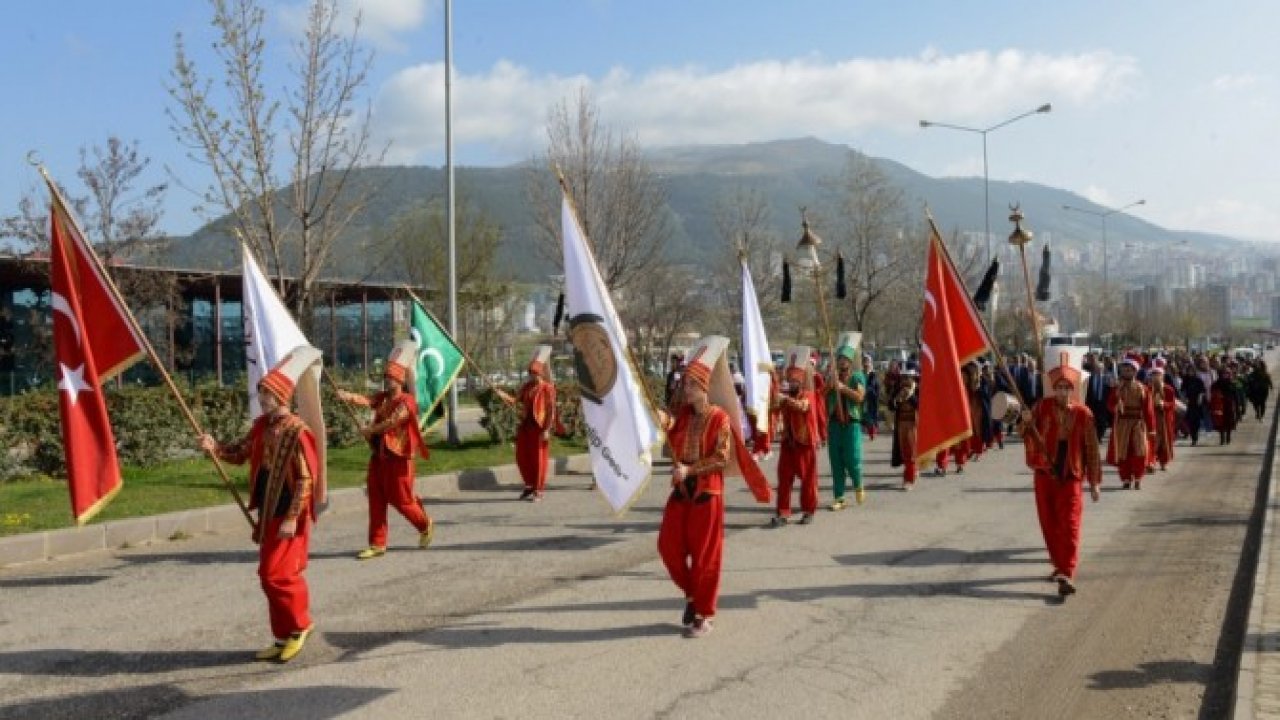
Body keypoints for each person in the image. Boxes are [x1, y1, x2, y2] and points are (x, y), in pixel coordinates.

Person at [200, 349, 322, 663]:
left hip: (287, 514)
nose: (263, 398)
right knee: (267, 576)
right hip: (268, 512)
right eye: (262, 393)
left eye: (267, 394)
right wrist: (215, 448)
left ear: (281, 395)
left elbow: (307, 480)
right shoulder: (261, 427)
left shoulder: (297, 432)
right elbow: (239, 452)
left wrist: (292, 518)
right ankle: (282, 636)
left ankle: (301, 625)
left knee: (277, 576)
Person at [656, 336, 771, 639]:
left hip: (707, 492)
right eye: (685, 384)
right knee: (668, 548)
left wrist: (689, 469)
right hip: (682, 492)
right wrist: (657, 417)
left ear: (704, 387)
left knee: (706, 557)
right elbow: (668, 424)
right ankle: (692, 595)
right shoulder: (682, 415)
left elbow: (721, 457)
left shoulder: (718, 417)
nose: (686, 388)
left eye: (691, 384)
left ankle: (703, 614)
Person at [337, 341, 434, 559]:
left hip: (400, 459)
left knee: (402, 501)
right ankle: (377, 543)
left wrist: (371, 429)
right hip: (379, 457)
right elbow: (368, 400)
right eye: (386, 377)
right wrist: (348, 396)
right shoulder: (383, 398)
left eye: (391, 378)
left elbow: (392, 421)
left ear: (400, 380)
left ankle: (425, 524)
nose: (387, 380)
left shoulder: (407, 401)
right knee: (376, 499)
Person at [1018, 352, 1102, 599]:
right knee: (1050, 523)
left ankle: (1067, 571)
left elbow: (1092, 449)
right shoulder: (1041, 407)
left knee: (1071, 524)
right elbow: (1025, 432)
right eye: (1059, 388)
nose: (1063, 392)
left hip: (1071, 473)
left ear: (1073, 389)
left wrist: (1095, 482)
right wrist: (1024, 421)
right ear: (1053, 389)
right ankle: (1058, 563)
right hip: (1045, 473)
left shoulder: (1083, 414)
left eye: (1067, 388)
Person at [771, 346, 819, 525]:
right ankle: (783, 512)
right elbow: (774, 408)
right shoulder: (785, 395)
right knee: (783, 479)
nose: (791, 383)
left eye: (794, 380)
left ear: (800, 381)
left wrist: (785, 400)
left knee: (808, 479)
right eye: (789, 379)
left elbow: (802, 406)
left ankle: (808, 510)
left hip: (805, 443)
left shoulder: (808, 394)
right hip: (788, 443)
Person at [505, 346, 558, 502]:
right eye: (530, 373)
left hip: (539, 429)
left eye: (534, 373)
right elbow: (515, 401)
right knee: (522, 457)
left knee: (539, 460)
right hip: (526, 427)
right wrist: (501, 394)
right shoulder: (527, 387)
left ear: (541, 373)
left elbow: (550, 410)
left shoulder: (548, 389)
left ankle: (538, 489)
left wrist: (547, 429)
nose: (532, 376)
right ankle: (528, 486)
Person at [827, 333, 866, 510]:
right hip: (834, 425)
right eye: (840, 358)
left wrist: (843, 388)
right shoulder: (831, 377)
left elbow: (859, 397)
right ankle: (839, 497)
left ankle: (858, 484)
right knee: (836, 462)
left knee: (852, 459)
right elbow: (821, 395)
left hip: (851, 424)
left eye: (845, 359)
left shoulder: (857, 377)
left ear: (850, 362)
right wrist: (830, 385)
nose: (842, 362)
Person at [1107, 353, 1155, 490]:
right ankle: (1126, 479)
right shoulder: (1117, 389)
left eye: (1130, 370)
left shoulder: (1142, 389)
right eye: (1124, 370)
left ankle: (1138, 477)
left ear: (1135, 371)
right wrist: (1115, 407)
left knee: (1139, 451)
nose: (1127, 372)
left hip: (1138, 424)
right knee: (1123, 453)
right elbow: (1110, 404)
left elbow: (1148, 410)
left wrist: (1151, 428)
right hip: (1122, 424)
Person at [890, 363, 920, 489]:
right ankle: (911, 472)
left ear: (913, 378)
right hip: (901, 424)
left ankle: (908, 479)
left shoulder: (918, 389)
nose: (906, 380)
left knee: (911, 452)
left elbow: (920, 406)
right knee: (904, 452)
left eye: (908, 377)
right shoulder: (898, 389)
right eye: (904, 377)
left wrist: (911, 396)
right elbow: (890, 406)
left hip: (913, 424)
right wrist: (897, 399)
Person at [1147, 359, 1177, 472]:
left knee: (1165, 440)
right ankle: (1151, 461)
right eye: (1153, 374)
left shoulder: (1168, 389)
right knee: (1152, 440)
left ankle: (1164, 462)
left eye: (1158, 374)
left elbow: (1172, 404)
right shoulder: (1147, 389)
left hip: (1164, 419)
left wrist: (1163, 404)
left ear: (1162, 375)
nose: (1155, 377)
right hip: (1152, 419)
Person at [1084, 354, 1112, 442]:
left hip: (1102, 403)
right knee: (1092, 420)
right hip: (1092, 402)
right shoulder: (1089, 378)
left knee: (1102, 421)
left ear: (1103, 369)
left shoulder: (1107, 379)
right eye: (1097, 368)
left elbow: (1110, 390)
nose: (1099, 370)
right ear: (1094, 369)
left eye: (1100, 368)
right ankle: (1094, 436)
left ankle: (1099, 436)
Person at [1180, 363, 1208, 447]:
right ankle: (1193, 438)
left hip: (1197, 403)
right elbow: (1182, 390)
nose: (1190, 372)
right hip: (1189, 403)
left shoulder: (1198, 380)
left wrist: (1200, 396)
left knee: (1197, 421)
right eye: (1189, 370)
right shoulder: (1186, 380)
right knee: (1190, 421)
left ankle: (1195, 436)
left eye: (1192, 370)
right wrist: (1184, 398)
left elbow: (1202, 390)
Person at [1211, 368, 1240, 445]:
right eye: (1224, 373)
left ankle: (1228, 436)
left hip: (1229, 405)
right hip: (1219, 405)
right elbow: (1212, 392)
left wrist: (1237, 406)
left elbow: (1236, 396)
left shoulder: (1232, 384)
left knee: (1229, 421)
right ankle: (1222, 438)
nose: (1225, 375)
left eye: (1227, 373)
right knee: (1220, 422)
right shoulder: (1216, 384)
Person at [861, 353, 881, 441]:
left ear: (870, 363)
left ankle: (872, 433)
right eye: (864, 362)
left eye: (867, 362)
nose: (866, 364)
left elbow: (874, 386)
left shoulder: (873, 375)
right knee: (863, 415)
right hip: (862, 396)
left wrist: (866, 390)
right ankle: (865, 430)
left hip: (871, 398)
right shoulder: (861, 374)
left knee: (871, 416)